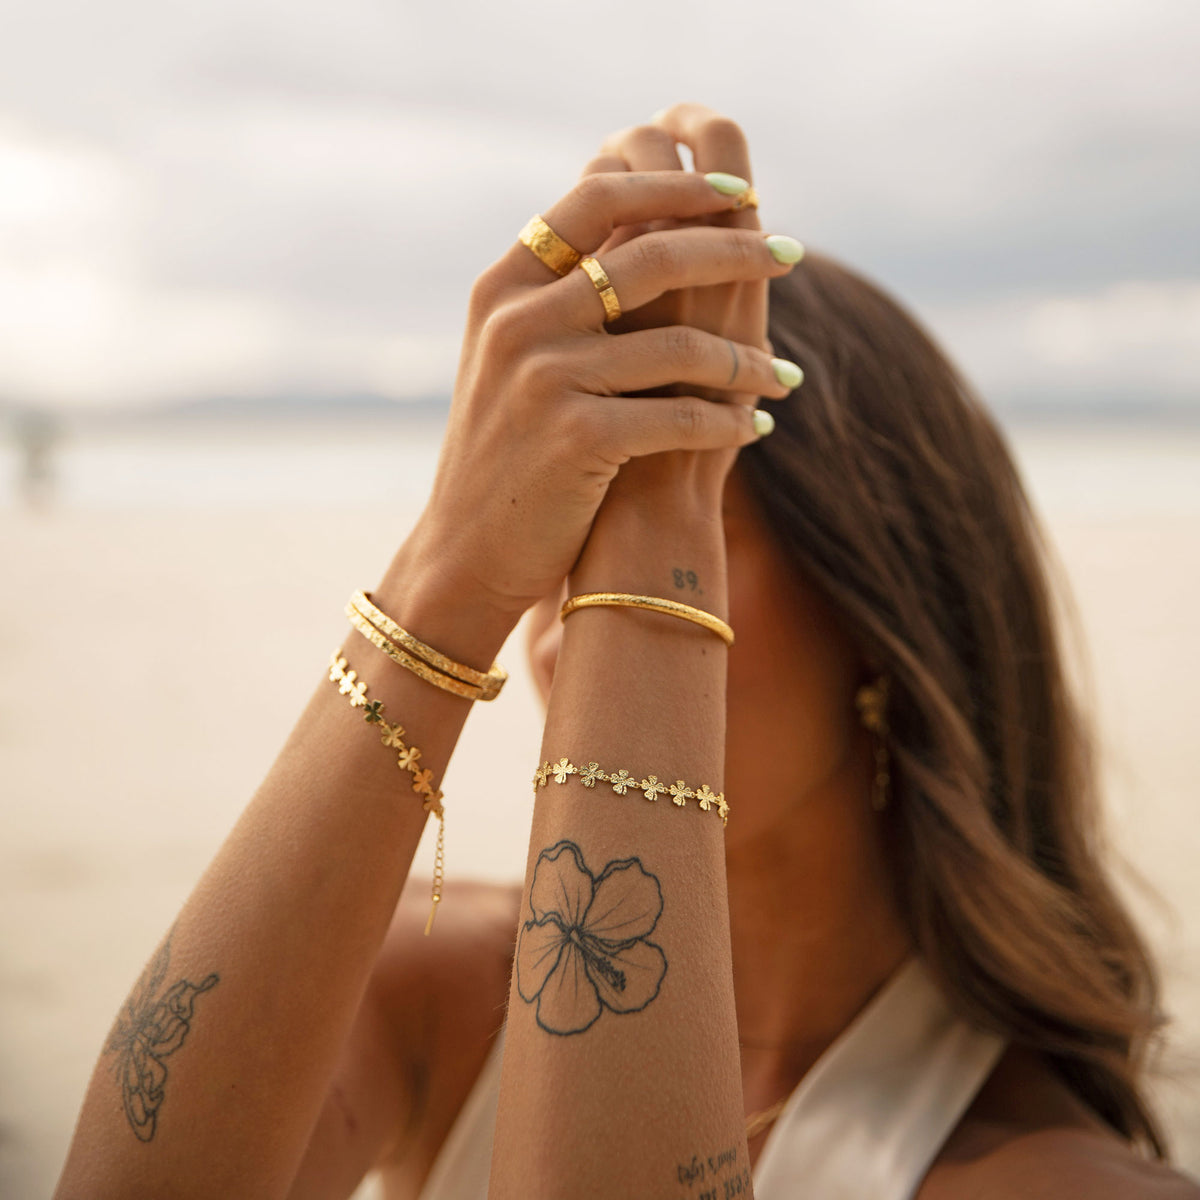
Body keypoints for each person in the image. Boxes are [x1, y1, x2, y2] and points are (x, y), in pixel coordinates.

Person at [54, 105, 1198, 1200]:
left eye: (692, 525)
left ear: (884, 609)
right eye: (563, 562)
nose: (561, 652)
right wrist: (449, 570)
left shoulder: (1054, 1178)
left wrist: (655, 572)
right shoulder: (437, 996)